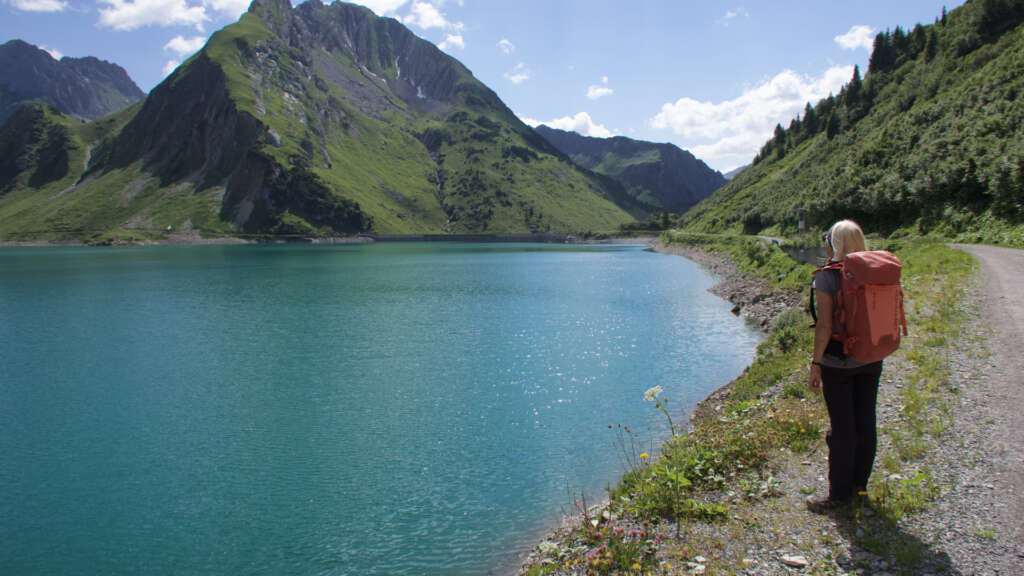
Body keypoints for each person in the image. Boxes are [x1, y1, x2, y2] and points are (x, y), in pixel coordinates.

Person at [806, 219, 884, 512]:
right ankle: (859, 487)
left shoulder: (827, 277)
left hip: (837, 362)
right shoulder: (875, 270)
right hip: (871, 357)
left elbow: (825, 326)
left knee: (842, 429)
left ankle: (838, 496)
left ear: (833, 243)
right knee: (866, 422)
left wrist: (816, 363)